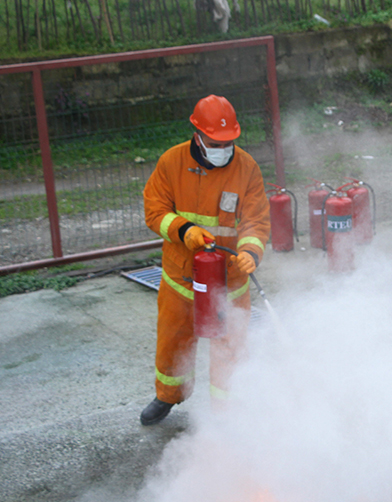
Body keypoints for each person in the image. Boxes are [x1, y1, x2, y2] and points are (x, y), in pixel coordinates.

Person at [140, 94, 271, 426]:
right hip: (180, 279)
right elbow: (154, 210)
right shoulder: (171, 162)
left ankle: (226, 414)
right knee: (173, 340)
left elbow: (256, 219)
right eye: (216, 142)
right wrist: (185, 231)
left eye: (229, 143)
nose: (223, 149)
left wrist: (250, 252)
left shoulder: (247, 168)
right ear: (197, 134)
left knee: (230, 347)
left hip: (230, 282)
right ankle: (168, 396)